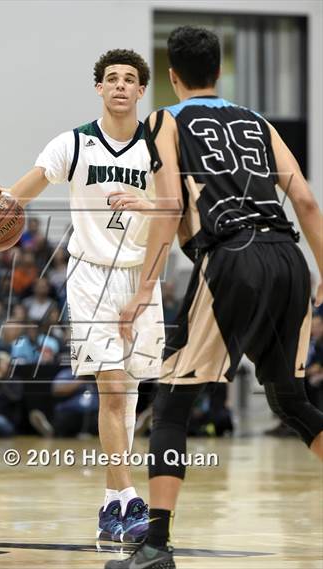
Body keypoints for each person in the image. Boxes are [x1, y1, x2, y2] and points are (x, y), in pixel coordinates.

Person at [106, 26, 323, 568]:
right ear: (220, 72)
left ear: (172, 77)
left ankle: (155, 545)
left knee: (174, 405)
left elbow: (171, 205)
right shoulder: (259, 121)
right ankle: (154, 543)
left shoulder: (164, 119)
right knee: (292, 401)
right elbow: (306, 201)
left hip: (231, 259)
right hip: (288, 258)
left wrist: (144, 291)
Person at [0, 49, 165, 544]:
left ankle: (111, 504)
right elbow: (17, 198)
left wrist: (152, 203)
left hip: (143, 277)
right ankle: (130, 499)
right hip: (92, 275)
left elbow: (177, 212)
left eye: (130, 79)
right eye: (111, 78)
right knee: (113, 388)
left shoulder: (159, 148)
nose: (120, 85)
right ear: (99, 88)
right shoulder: (73, 144)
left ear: (142, 91)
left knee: (130, 395)